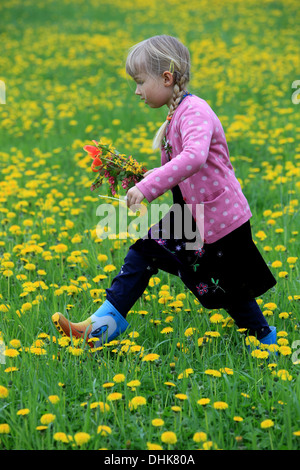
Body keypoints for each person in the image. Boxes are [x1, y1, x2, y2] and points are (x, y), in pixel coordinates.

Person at [52, 35, 277, 350]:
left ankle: (265, 339)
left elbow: (195, 157)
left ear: (167, 78)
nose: (137, 91)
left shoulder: (194, 111)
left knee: (228, 288)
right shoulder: (177, 114)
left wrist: (147, 187)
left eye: (141, 81)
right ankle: (98, 328)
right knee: (144, 252)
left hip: (218, 220)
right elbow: (180, 168)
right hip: (192, 218)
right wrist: (144, 177)